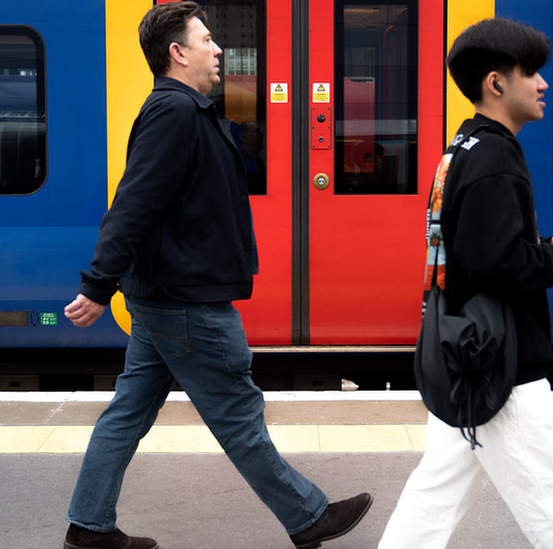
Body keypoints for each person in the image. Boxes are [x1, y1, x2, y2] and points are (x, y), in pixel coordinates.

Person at [62, 3, 372, 549]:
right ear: (177, 53)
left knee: (127, 413)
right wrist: (96, 283)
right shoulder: (174, 114)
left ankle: (89, 527)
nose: (219, 49)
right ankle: (308, 516)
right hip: (186, 301)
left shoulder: (185, 111)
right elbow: (133, 203)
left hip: (167, 296)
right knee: (237, 413)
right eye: (207, 39)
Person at [377, 18, 553, 549]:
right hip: (503, 365)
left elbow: (473, 247)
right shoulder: (498, 155)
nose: (543, 84)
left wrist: (545, 247)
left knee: (435, 495)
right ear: (496, 83)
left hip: (466, 351)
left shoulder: (463, 148)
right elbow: (498, 265)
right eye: (532, 73)